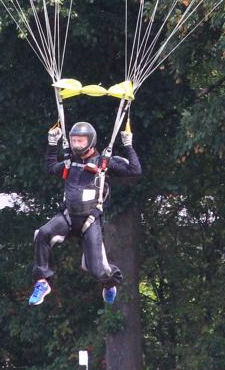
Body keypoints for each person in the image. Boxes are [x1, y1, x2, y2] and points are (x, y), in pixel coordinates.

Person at [29, 120, 142, 306]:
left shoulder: (103, 162)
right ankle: (42, 282)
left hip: (90, 220)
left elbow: (135, 171)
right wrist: (52, 144)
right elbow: (50, 168)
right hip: (68, 216)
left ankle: (110, 283)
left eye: (80, 141)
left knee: (96, 268)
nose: (76, 145)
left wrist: (128, 146)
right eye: (74, 140)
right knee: (42, 233)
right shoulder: (70, 162)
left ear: (90, 141)